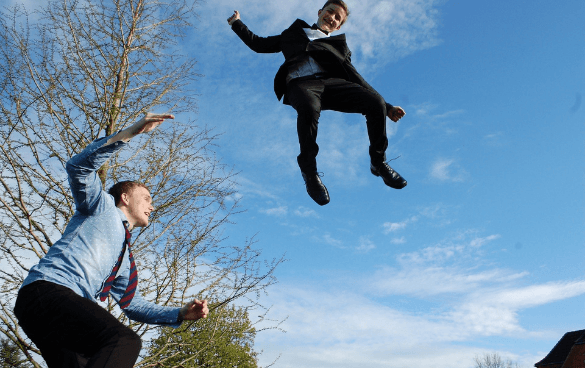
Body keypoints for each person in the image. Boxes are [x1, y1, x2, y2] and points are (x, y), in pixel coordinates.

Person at [14, 113, 209, 368]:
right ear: (125, 198)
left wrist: (180, 313)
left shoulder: (125, 259)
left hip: (52, 315)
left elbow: (133, 305)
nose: (152, 206)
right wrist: (130, 133)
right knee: (123, 340)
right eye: (147, 198)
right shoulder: (100, 206)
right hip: (47, 291)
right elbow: (78, 167)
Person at [227, 0, 407, 206]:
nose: (332, 18)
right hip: (301, 84)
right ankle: (310, 173)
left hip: (331, 85)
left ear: (338, 26)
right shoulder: (293, 34)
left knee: (374, 102)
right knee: (308, 106)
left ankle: (379, 163)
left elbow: (356, 77)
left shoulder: (338, 47)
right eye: (330, 12)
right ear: (320, 12)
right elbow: (259, 44)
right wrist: (237, 24)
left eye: (337, 18)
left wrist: (387, 106)